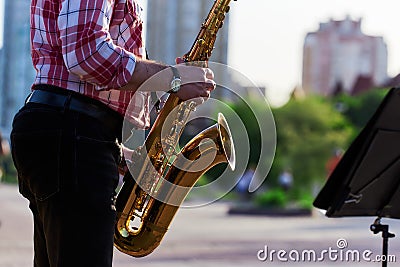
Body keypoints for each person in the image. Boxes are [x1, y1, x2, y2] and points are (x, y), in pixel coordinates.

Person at [10, 1, 215, 266]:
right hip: (72, 130)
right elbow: (86, 53)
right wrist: (174, 78)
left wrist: (114, 151)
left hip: (69, 129)